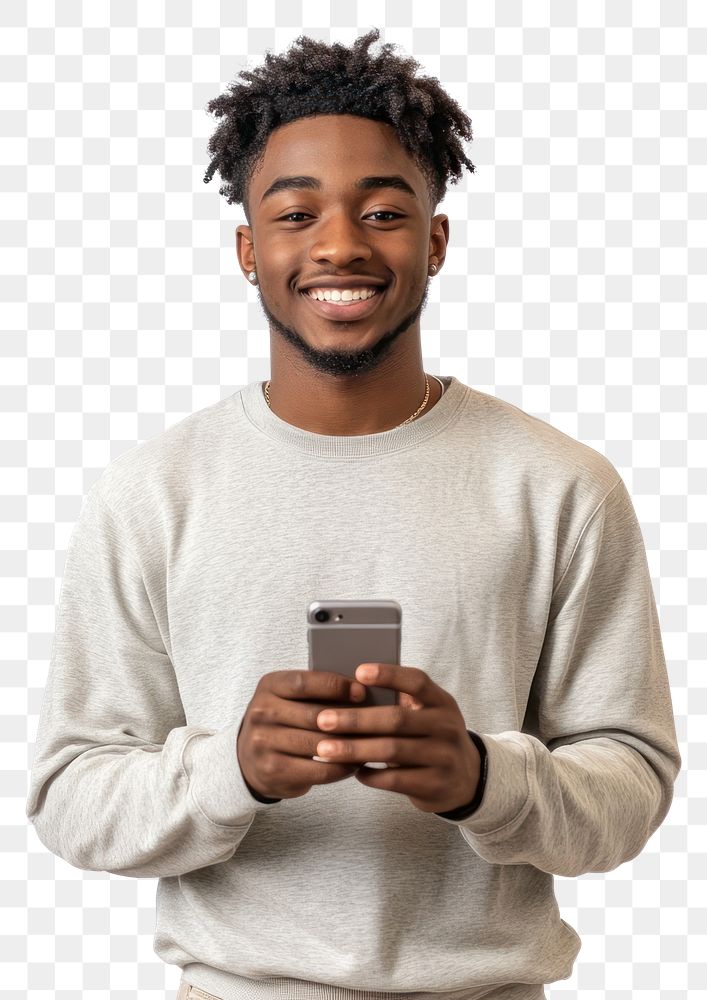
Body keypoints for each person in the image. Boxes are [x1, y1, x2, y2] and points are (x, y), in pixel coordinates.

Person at [26, 28, 681, 1000]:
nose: (339, 244)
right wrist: (230, 769)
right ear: (249, 249)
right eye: (295, 213)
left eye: (382, 210)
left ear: (435, 240)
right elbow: (70, 796)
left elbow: (629, 788)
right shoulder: (154, 492)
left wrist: (476, 776)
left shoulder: (558, 485)